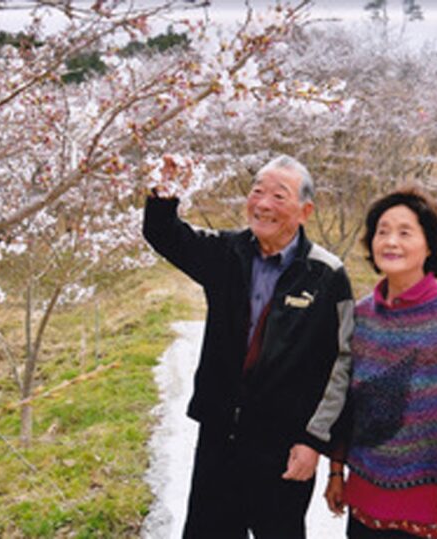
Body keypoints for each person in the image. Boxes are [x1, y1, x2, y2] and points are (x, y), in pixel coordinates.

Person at [143, 154, 354, 539]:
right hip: (220, 436)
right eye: (257, 191)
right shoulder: (227, 252)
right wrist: (164, 190)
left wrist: (313, 441)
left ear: (305, 210)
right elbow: (165, 234)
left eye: (279, 195)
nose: (263, 204)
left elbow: (341, 363)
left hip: (284, 448)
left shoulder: (326, 274)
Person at [305, 186, 437, 539]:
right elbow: (347, 403)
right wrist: (336, 471)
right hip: (366, 505)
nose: (390, 241)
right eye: (382, 231)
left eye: (405, 232)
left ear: (430, 245)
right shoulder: (361, 314)